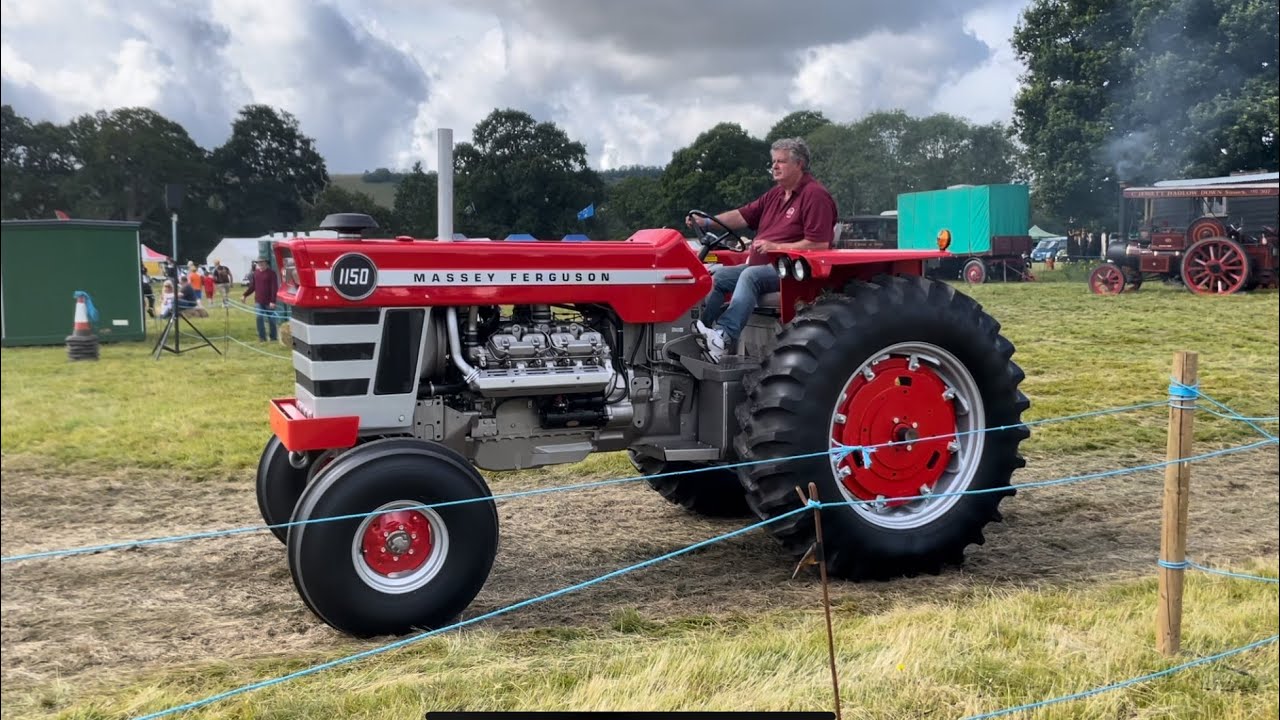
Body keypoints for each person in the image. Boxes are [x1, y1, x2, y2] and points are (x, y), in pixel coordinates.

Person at [686, 137, 837, 361]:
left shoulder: (815, 196)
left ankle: (724, 336)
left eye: (781, 162)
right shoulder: (775, 194)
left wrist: (776, 246)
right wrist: (706, 222)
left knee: (750, 275)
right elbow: (741, 215)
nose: (774, 167)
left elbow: (818, 244)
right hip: (764, 266)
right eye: (773, 161)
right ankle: (702, 335)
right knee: (716, 277)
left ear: (800, 164)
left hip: (793, 270)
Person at [243, 256, 280, 342]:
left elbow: (274, 287)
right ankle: (262, 337)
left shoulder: (271, 273)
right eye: (259, 263)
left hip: (269, 301)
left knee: (272, 320)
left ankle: (273, 337)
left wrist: (273, 301)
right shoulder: (255, 273)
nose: (260, 264)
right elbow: (253, 286)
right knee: (259, 317)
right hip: (258, 301)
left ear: (266, 263)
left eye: (262, 262)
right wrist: (245, 295)